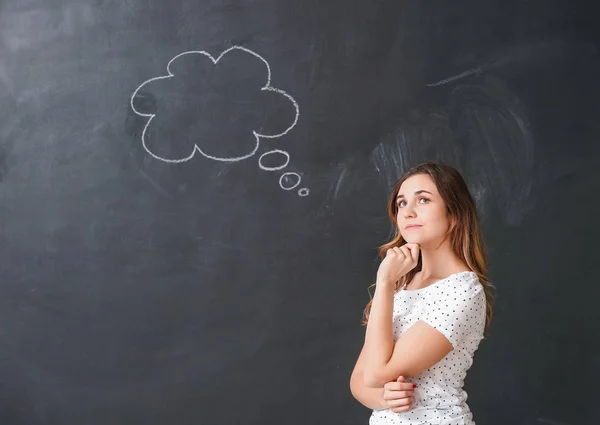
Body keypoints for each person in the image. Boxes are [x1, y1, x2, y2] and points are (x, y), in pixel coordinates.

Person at [349, 161, 495, 424]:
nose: (408, 212)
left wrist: (384, 282)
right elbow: (359, 381)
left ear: (454, 215)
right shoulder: (403, 285)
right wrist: (386, 398)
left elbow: (375, 373)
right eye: (402, 203)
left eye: (423, 200)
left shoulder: (462, 290)